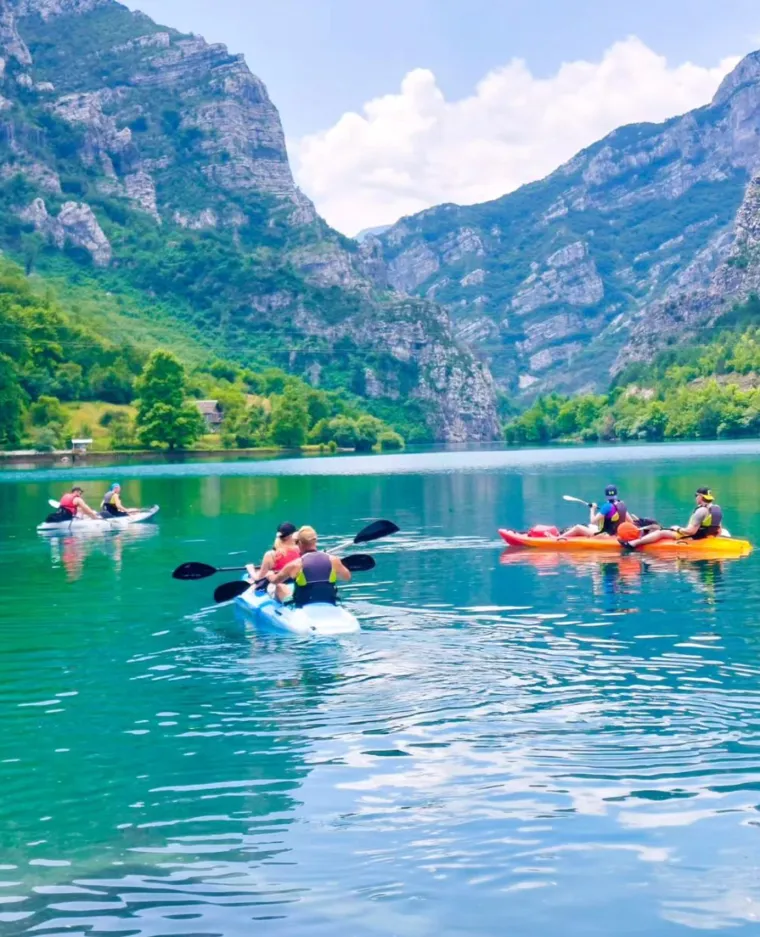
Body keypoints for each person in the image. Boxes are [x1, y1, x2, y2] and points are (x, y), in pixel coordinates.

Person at [267, 525, 351, 605]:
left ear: (299, 543)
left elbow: (275, 581)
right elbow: (347, 577)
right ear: (315, 541)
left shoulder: (295, 564)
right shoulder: (333, 560)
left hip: (303, 605)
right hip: (329, 602)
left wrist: (269, 575)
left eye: (296, 542)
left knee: (279, 587)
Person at [622, 488, 724, 549]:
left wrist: (677, 528)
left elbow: (691, 532)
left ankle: (633, 543)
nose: (695, 498)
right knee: (657, 527)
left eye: (696, 495)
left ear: (700, 497)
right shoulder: (716, 508)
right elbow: (718, 529)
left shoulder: (701, 511)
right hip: (707, 536)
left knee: (661, 532)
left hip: (693, 537)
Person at [562, 485, 630, 538]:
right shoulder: (622, 504)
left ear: (606, 496)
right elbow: (630, 521)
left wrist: (592, 510)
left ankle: (558, 538)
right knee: (590, 526)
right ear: (616, 494)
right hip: (616, 534)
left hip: (605, 536)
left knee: (578, 527)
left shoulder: (606, 506)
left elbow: (593, 521)